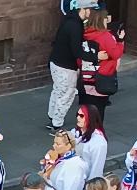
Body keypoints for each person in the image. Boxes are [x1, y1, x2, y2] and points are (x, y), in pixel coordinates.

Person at [48, 0, 98, 131]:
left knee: (57, 91)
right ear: (84, 9)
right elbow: (77, 51)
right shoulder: (76, 26)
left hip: (56, 62)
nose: (92, 13)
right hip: (66, 66)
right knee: (66, 95)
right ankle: (56, 124)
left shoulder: (69, 20)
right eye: (91, 9)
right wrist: (95, 57)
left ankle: (52, 117)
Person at [78, 8, 124, 123]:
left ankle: (85, 129)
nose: (107, 20)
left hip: (85, 78)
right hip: (101, 79)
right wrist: (120, 41)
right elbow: (116, 54)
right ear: (100, 20)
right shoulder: (105, 36)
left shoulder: (83, 34)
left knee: (86, 111)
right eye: (105, 18)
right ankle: (95, 131)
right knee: (98, 112)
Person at [74, 104, 109, 180]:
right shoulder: (74, 132)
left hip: (85, 181)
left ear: (90, 118)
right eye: (77, 114)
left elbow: (97, 168)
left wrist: (90, 185)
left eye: (81, 116)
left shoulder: (99, 142)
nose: (78, 118)